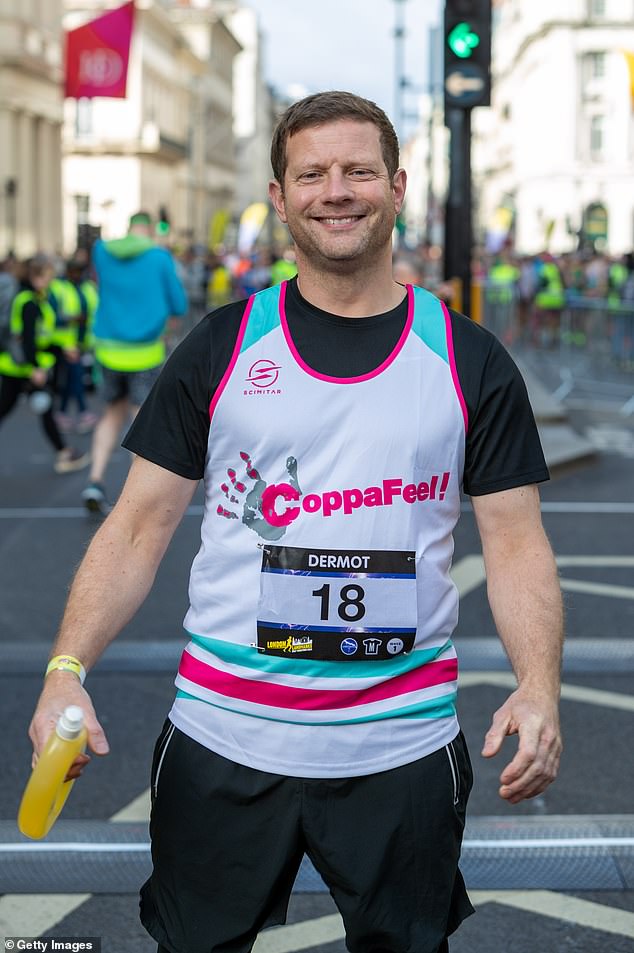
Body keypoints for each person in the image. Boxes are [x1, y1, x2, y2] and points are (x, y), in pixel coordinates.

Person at [29, 92, 563, 953]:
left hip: (402, 748)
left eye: (357, 171)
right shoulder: (222, 344)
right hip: (223, 739)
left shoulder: (469, 358)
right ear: (279, 197)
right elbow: (137, 525)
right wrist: (64, 667)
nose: (335, 190)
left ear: (396, 185)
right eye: (310, 173)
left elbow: (515, 539)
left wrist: (540, 686)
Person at [81, 211, 187, 513]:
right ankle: (132, 500)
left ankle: (95, 479)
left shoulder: (101, 252)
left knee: (111, 413)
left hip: (108, 348)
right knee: (141, 421)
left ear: (128, 228)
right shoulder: (159, 257)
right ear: (150, 229)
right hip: (146, 349)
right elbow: (178, 303)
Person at [0, 255, 90, 473]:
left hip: (21, 367)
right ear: (37, 277)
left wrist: (61, 350)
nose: (52, 281)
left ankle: (64, 452)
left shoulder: (36, 299)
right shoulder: (29, 303)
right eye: (49, 276)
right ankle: (64, 453)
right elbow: (29, 341)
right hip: (22, 368)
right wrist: (35, 369)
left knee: (16, 408)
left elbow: (42, 339)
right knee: (42, 409)